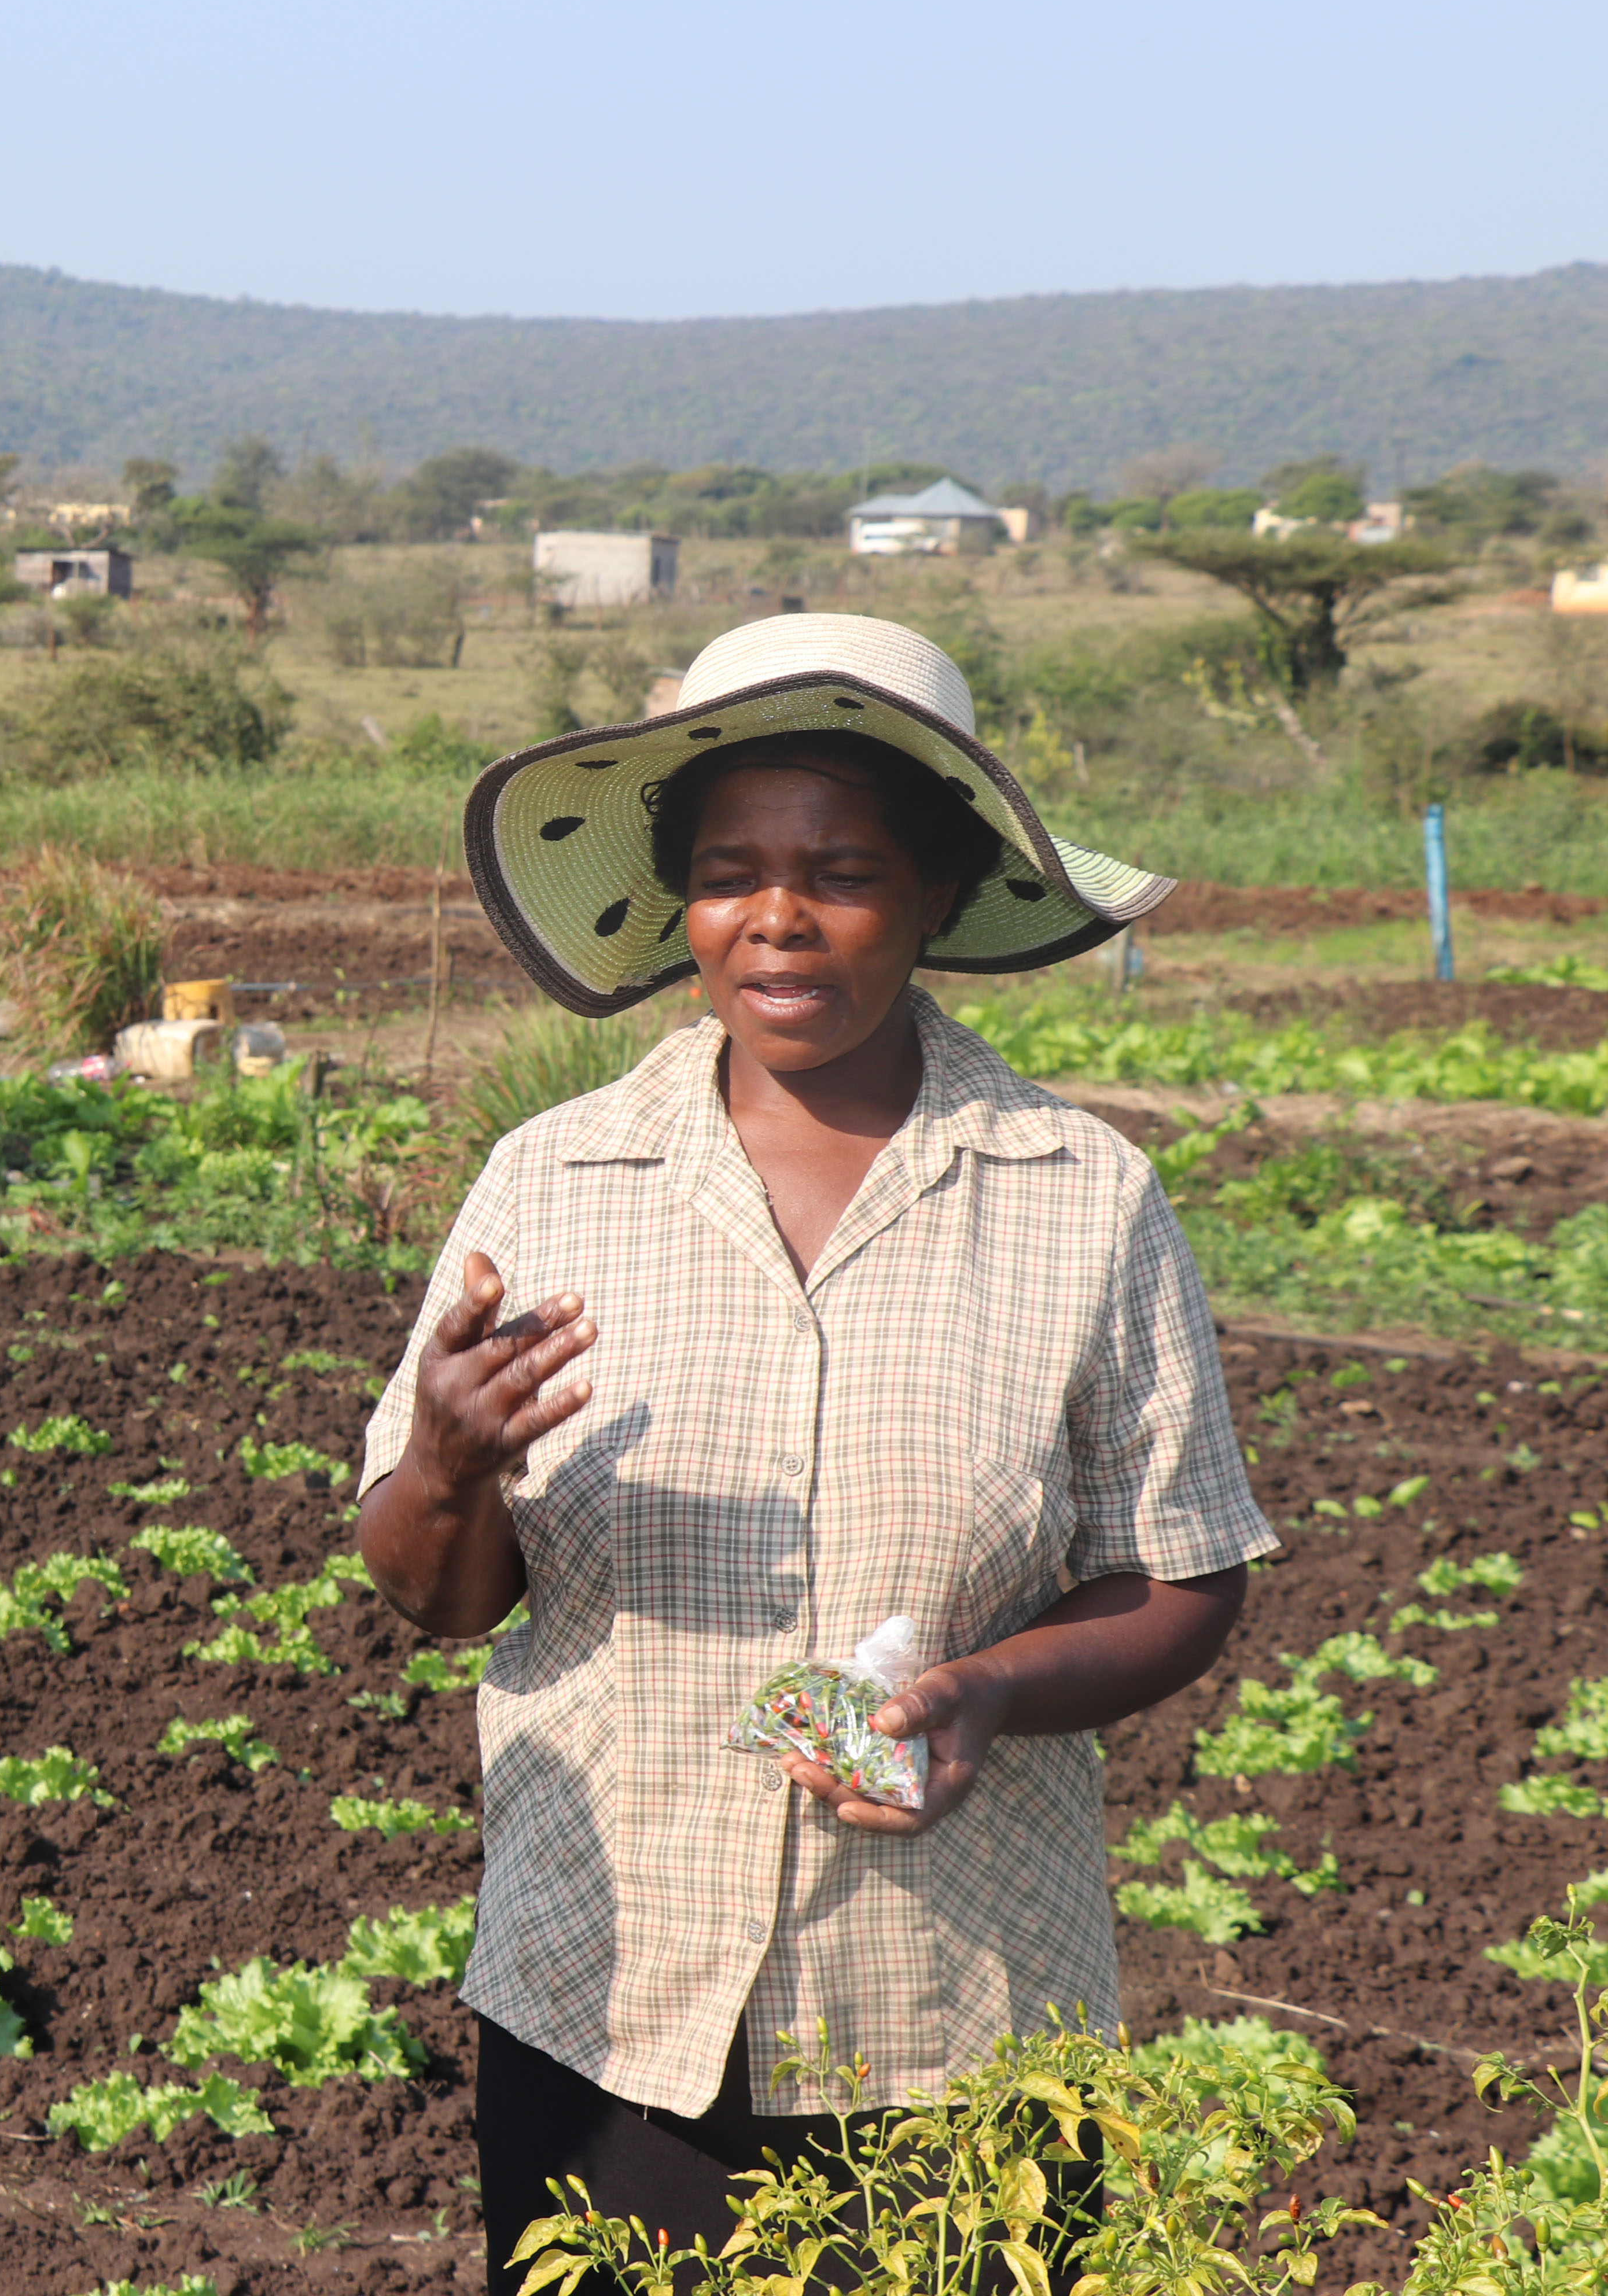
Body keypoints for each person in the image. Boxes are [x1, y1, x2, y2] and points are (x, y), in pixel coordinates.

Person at [353, 612, 1277, 2279]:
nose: (777, 917)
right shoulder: (553, 1183)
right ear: (680, 904)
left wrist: (992, 1692)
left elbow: (1181, 1577)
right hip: (607, 2007)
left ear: (934, 896)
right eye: (729, 871)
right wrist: (448, 1467)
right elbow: (440, 1599)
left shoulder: (1080, 1198)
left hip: (958, 2016)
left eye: (841, 870)